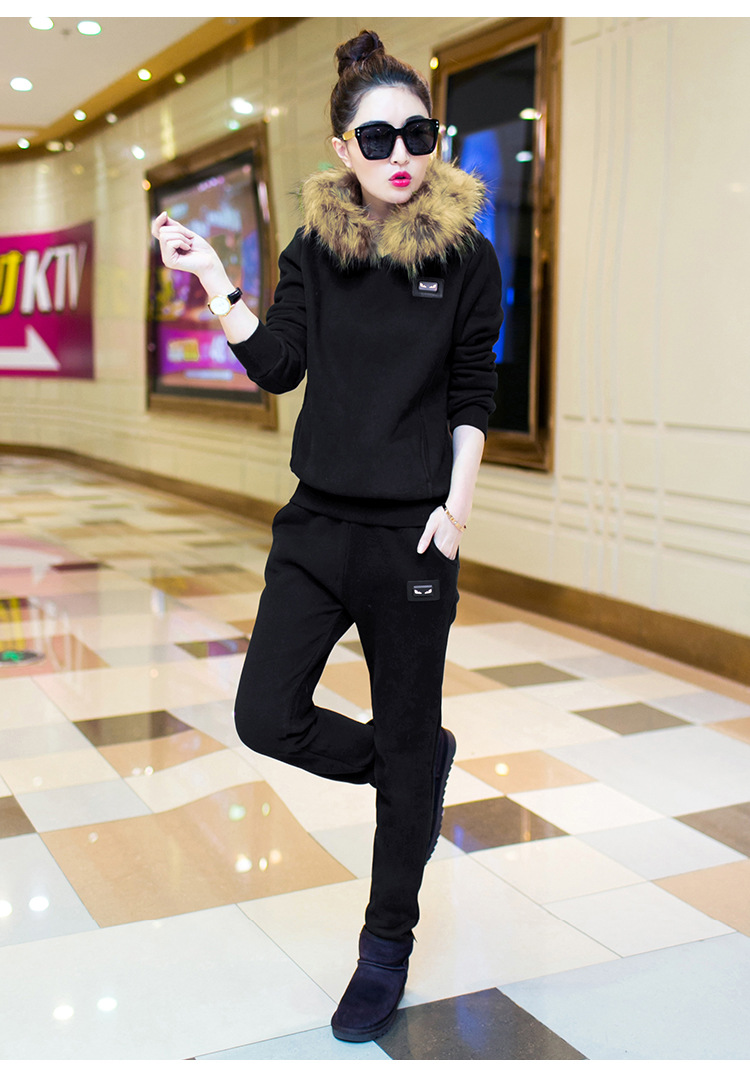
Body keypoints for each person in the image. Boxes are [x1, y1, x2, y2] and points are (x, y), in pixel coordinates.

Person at [152, 29, 503, 1043]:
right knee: (267, 715)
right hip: (315, 527)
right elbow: (278, 366)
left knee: (407, 725)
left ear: (435, 139)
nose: (400, 154)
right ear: (343, 149)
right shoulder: (314, 249)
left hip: (415, 539)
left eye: (418, 134)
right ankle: (410, 773)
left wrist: (456, 510)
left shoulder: (467, 257)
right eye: (377, 138)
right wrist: (213, 277)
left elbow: (473, 390)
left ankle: (385, 946)